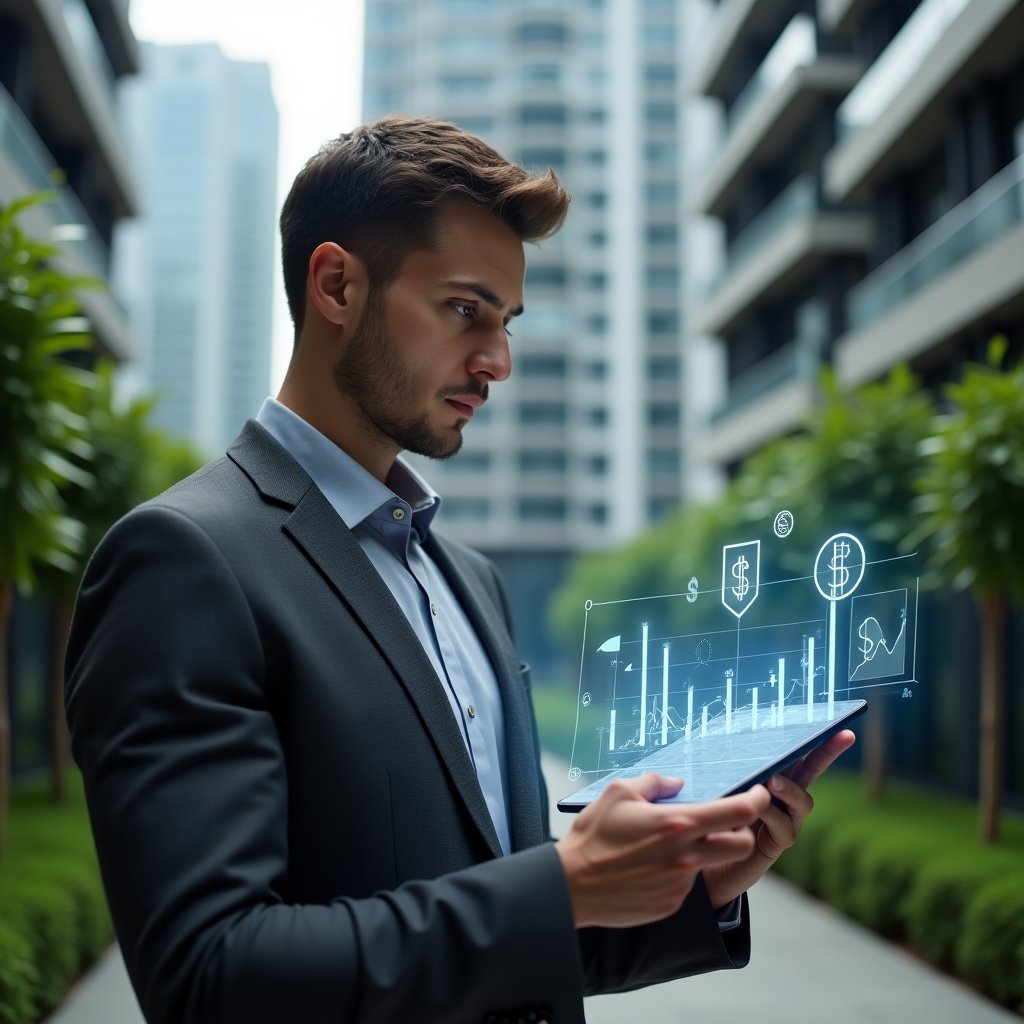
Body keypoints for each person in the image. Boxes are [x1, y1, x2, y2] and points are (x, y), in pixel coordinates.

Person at [65, 115, 854, 1024]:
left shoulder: (468, 580)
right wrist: (563, 884)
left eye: (507, 322)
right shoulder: (182, 561)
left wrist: (695, 889)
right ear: (336, 286)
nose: (499, 362)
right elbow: (212, 975)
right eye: (465, 310)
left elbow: (499, 933)